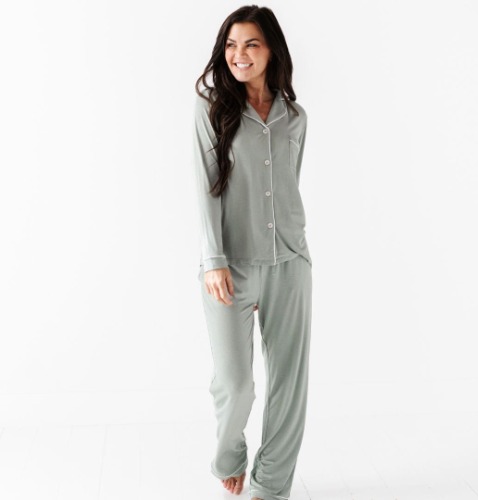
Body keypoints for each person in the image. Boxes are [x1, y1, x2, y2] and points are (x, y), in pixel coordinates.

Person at [192, 5, 313, 500]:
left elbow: (287, 187)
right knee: (235, 383)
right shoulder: (210, 108)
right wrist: (213, 260)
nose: (239, 54)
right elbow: (206, 188)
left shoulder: (295, 117)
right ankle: (228, 457)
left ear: (271, 51)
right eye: (231, 45)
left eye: (251, 44)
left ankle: (271, 485)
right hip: (230, 266)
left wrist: (287, 247)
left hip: (290, 262)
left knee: (289, 385)